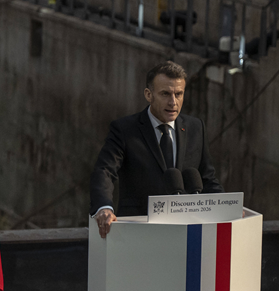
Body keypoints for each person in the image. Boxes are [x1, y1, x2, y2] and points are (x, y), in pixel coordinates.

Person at [90, 60, 222, 238]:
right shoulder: (125, 129)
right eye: (165, 94)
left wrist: (227, 209)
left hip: (186, 232)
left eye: (179, 94)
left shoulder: (195, 127)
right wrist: (104, 207)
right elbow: (105, 170)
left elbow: (207, 178)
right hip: (138, 231)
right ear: (148, 94)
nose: (173, 102)